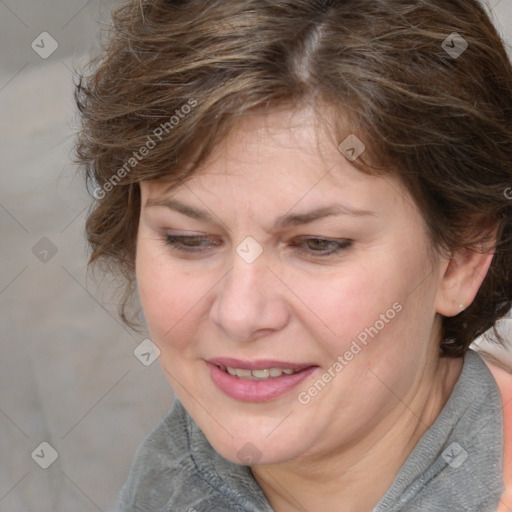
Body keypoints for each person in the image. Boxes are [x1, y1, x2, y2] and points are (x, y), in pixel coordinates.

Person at [74, 0, 512, 510]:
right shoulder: (162, 483)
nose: (239, 314)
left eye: (318, 244)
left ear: (461, 257)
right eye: (188, 239)